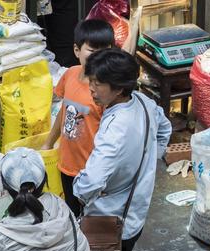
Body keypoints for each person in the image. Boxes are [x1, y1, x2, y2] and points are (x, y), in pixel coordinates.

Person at [73, 48, 172, 251]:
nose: (91, 88)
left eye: (98, 83)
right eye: (91, 80)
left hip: (109, 222)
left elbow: (92, 181)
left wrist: (79, 193)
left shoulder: (115, 131)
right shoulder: (142, 101)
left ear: (118, 89)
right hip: (135, 213)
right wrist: (148, 162)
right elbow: (165, 127)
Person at [42, 18, 142, 216]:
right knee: (71, 214)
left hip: (93, 173)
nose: (100, 57)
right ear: (77, 50)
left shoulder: (107, 93)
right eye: (92, 51)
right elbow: (65, 110)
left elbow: (114, 136)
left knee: (93, 222)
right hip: (66, 165)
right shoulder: (70, 74)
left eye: (106, 50)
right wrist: (49, 142)